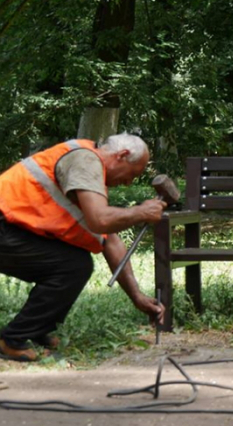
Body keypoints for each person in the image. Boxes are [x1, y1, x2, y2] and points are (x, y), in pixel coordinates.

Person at [0, 133, 166, 362]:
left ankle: (35, 331)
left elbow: (110, 239)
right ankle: (12, 340)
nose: (128, 182)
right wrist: (140, 212)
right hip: (5, 225)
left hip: (13, 227)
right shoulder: (85, 161)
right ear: (122, 155)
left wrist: (137, 297)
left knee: (74, 264)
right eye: (133, 174)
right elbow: (100, 220)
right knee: (72, 266)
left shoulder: (87, 168)